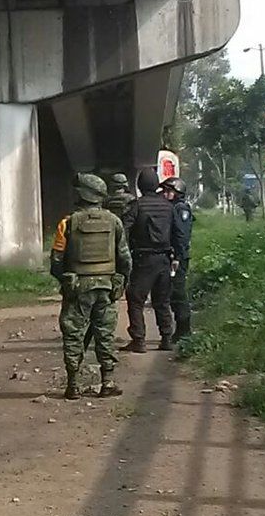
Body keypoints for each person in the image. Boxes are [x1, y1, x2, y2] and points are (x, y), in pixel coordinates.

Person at [50, 174, 132, 399]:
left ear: (82, 194)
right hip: (106, 287)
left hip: (78, 287)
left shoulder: (67, 223)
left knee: (74, 334)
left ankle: (73, 385)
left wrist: (65, 280)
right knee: (105, 334)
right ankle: (107, 382)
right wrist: (121, 280)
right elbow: (125, 259)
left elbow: (56, 261)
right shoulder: (114, 221)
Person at [121, 168, 175, 352]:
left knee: (135, 298)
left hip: (144, 259)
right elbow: (177, 233)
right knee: (162, 300)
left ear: (140, 186)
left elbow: (123, 230)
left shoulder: (137, 206)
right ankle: (167, 338)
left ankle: (139, 340)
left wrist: (124, 254)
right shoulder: (169, 207)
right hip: (165, 259)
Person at [162, 176, 194, 342]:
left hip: (178, 257)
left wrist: (177, 257)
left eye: (169, 191)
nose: (166, 194)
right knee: (172, 292)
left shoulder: (181, 209)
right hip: (173, 255)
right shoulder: (172, 208)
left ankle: (184, 329)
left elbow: (181, 236)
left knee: (178, 292)